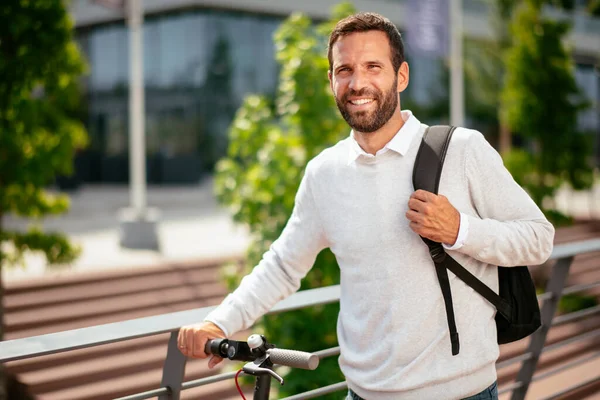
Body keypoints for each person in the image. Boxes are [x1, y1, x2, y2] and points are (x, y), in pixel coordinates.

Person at [178, 12, 555, 400]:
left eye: (373, 66)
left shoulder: (462, 150)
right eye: (345, 70)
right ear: (331, 81)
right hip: (363, 393)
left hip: (462, 393)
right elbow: (282, 265)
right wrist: (218, 322)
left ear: (401, 76)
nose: (358, 83)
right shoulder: (324, 172)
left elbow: (539, 238)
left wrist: (461, 230)